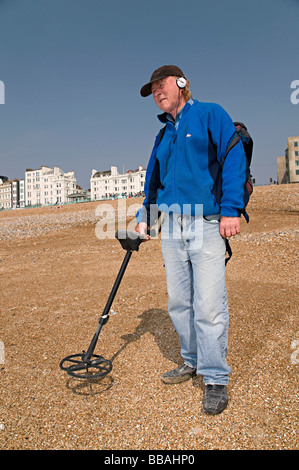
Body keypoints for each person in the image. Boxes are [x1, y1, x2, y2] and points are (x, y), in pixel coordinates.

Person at [136, 65, 249, 415]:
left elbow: (233, 156)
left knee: (209, 303)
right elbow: (154, 181)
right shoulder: (163, 135)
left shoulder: (209, 113)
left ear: (181, 84)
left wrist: (231, 209)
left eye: (161, 85)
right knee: (179, 302)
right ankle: (193, 360)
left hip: (206, 222)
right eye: (153, 89)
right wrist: (146, 219)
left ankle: (215, 377)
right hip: (171, 226)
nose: (157, 92)